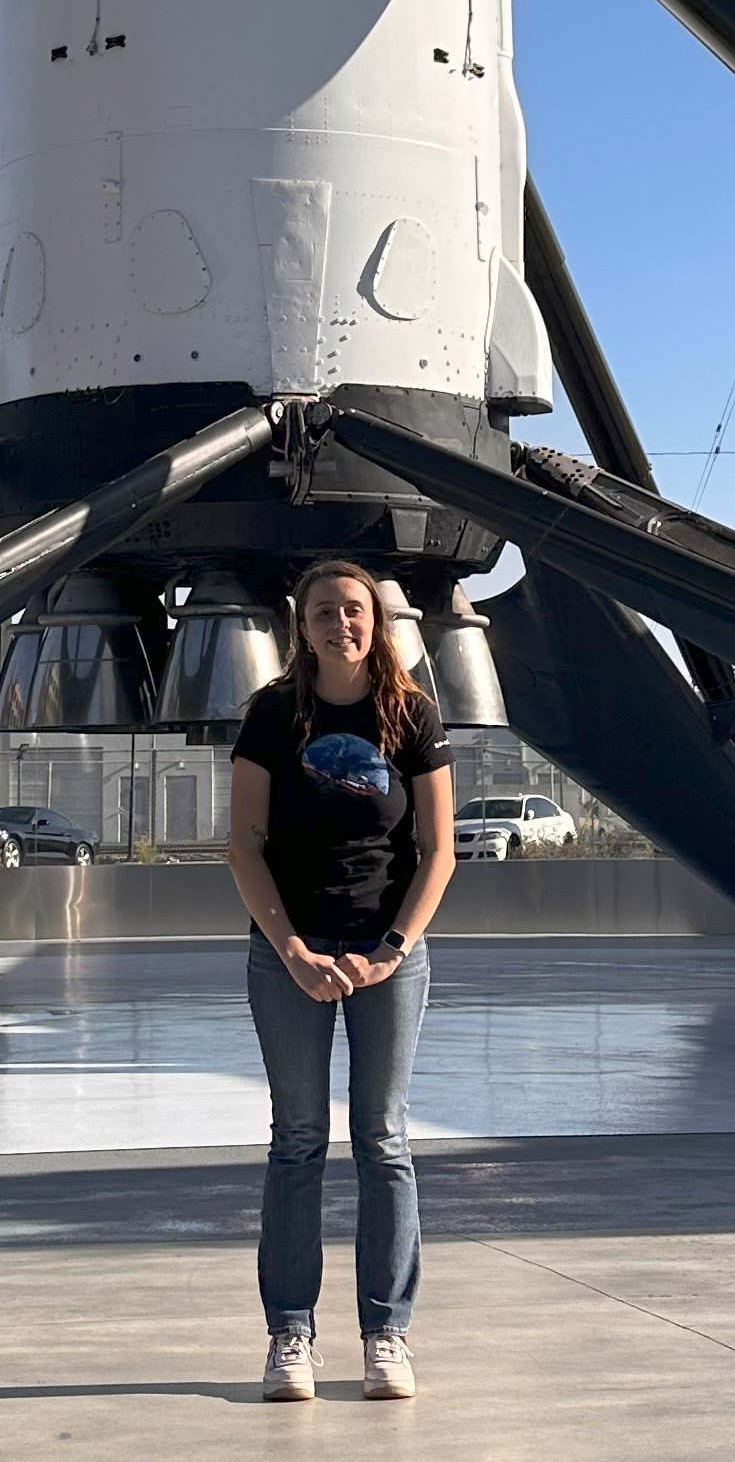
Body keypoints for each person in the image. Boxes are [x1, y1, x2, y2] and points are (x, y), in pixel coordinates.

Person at [228, 555, 455, 1404]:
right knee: (297, 1139)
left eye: (354, 609)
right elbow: (244, 844)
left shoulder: (413, 713)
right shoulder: (273, 712)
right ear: (303, 623)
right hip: (290, 953)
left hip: (387, 954)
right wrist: (291, 949)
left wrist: (393, 944)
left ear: (376, 620)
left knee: (382, 1139)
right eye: (325, 610)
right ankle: (291, 1333)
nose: (341, 623)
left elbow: (439, 852)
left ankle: (386, 1335)